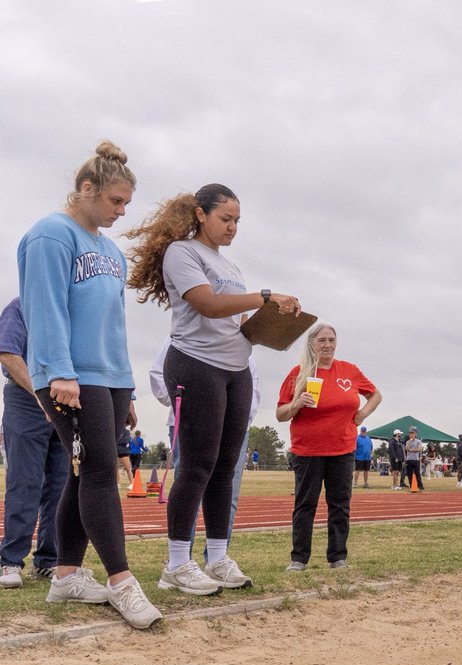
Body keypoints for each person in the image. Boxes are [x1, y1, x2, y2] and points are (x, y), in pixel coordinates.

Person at [126, 182, 302, 594]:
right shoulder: (182, 252)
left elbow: (237, 323)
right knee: (198, 465)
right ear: (201, 214)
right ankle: (176, 563)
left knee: (225, 468)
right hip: (196, 365)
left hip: (235, 369)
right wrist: (263, 296)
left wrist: (277, 322)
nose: (233, 227)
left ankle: (219, 557)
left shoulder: (230, 267)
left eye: (238, 220)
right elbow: (206, 304)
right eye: (226, 218)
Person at [17, 141, 160, 628]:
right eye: (115, 201)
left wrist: (129, 390)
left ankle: (65, 576)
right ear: (86, 189)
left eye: (126, 204)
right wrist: (59, 371)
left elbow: (115, 322)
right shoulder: (51, 235)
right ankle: (122, 581)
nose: (121, 212)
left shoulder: (110, 252)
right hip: (70, 375)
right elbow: (44, 306)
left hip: (110, 376)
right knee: (100, 471)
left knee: (82, 475)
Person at [277, 324, 382, 570]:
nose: (327, 345)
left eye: (331, 340)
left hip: (342, 450)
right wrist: (296, 404)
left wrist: (362, 414)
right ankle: (299, 558)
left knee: (340, 505)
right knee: (305, 505)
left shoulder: (349, 370)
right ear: (312, 343)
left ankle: (338, 557)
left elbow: (375, 394)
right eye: (322, 340)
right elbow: (280, 414)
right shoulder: (299, 373)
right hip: (308, 451)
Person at [149, 339, 261, 562]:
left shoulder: (242, 348)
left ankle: (217, 557)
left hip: (233, 427)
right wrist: (185, 403)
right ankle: (180, 558)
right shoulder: (183, 337)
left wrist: (236, 418)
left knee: (227, 486)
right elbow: (158, 374)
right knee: (190, 480)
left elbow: (252, 389)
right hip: (189, 420)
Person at [0, 297, 68, 589]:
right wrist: (39, 392)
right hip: (26, 399)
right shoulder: (21, 307)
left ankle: (49, 560)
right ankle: (10, 560)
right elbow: (7, 351)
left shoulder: (69, 307)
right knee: (25, 480)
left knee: (62, 484)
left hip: (67, 398)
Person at [403, 427, 425, 491]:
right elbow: (406, 449)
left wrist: (411, 450)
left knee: (417, 473)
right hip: (409, 460)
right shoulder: (408, 441)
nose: (411, 434)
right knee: (409, 474)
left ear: (415, 434)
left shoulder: (418, 441)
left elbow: (419, 449)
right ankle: (411, 486)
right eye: (410, 433)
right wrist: (410, 441)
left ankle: (420, 487)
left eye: (412, 433)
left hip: (416, 460)